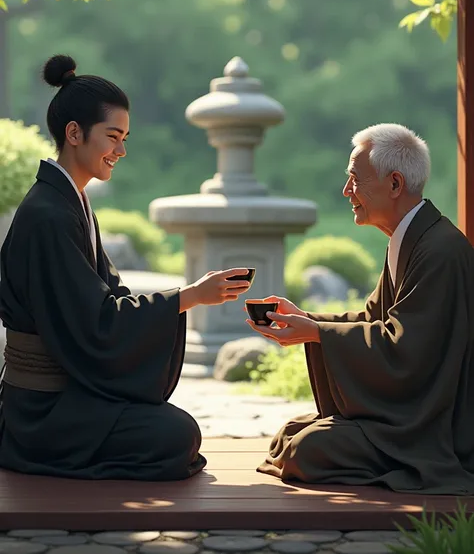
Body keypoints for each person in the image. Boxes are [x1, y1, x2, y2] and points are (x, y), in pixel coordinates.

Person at [0, 54, 251, 481]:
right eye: (113, 136)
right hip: (41, 410)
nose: (122, 150)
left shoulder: (70, 203)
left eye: (125, 137)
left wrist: (186, 297)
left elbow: (110, 300)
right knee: (175, 436)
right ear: (74, 133)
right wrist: (189, 296)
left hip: (66, 394)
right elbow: (95, 323)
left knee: (176, 432)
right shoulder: (49, 215)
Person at [248, 123, 474, 495]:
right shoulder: (411, 239)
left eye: (355, 179)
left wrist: (317, 333)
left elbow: (407, 351)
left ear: (395, 184)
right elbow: (373, 321)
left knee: (305, 450)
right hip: (408, 412)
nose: (346, 191)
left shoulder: (440, 251)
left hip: (434, 427)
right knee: (291, 435)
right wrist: (307, 321)